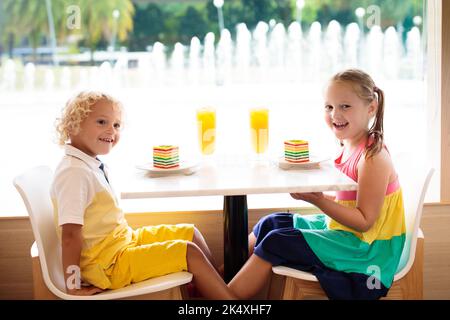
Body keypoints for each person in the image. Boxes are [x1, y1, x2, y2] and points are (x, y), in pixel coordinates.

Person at [227, 69, 405, 300]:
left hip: (367, 250)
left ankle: (224, 297)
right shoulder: (348, 145)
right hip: (348, 235)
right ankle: (223, 283)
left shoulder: (372, 157)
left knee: (276, 241)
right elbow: (351, 203)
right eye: (329, 107)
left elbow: (364, 221)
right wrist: (314, 196)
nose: (335, 114)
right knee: (271, 223)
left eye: (345, 106)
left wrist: (319, 201)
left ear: (371, 108)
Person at [52, 91, 235, 299]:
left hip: (121, 244)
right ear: (73, 125)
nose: (111, 130)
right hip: (108, 265)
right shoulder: (74, 173)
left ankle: (216, 293)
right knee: (188, 252)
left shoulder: (88, 164)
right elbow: (70, 235)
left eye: (116, 125)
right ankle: (230, 302)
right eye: (102, 122)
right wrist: (73, 285)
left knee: (190, 233)